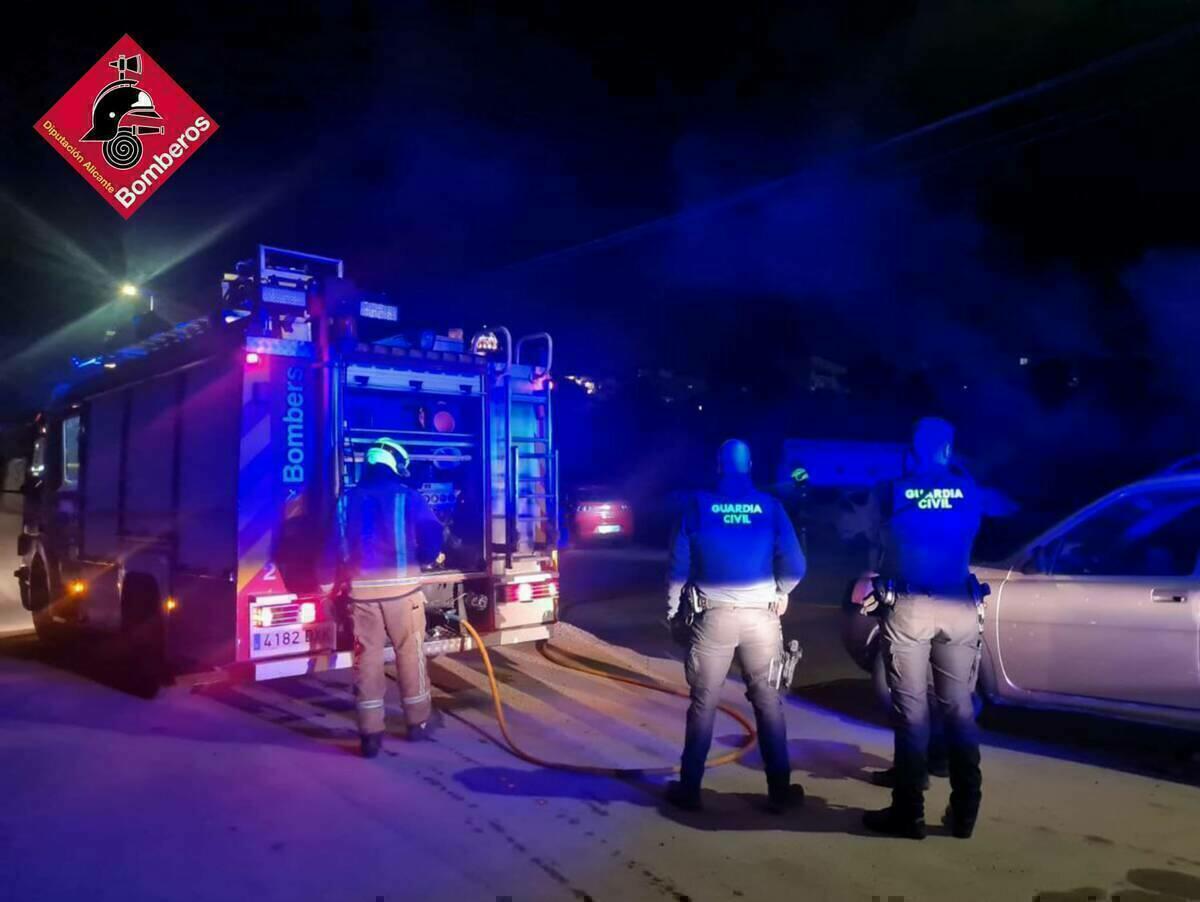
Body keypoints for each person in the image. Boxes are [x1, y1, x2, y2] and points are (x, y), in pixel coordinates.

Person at [862, 417, 1010, 840]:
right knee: (959, 708)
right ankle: (965, 812)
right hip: (960, 606)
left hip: (909, 607)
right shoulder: (971, 491)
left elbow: (877, 539)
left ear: (913, 449)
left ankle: (908, 813)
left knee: (911, 712)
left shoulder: (891, 492)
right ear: (949, 449)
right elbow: (980, 520)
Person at [665, 439, 807, 813]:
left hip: (712, 619)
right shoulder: (771, 506)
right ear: (750, 465)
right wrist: (782, 590)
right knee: (768, 704)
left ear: (717, 465)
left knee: (703, 703)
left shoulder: (697, 506)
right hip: (761, 617)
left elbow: (678, 569)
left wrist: (672, 614)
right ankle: (779, 791)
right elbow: (796, 566)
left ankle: (690, 789)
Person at [338, 438, 444, 758]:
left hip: (362, 596)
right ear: (394, 463)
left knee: (367, 659)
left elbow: (336, 547)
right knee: (409, 654)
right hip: (403, 594)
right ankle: (417, 723)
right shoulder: (408, 498)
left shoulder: (346, 500)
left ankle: (370, 734)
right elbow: (432, 537)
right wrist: (426, 557)